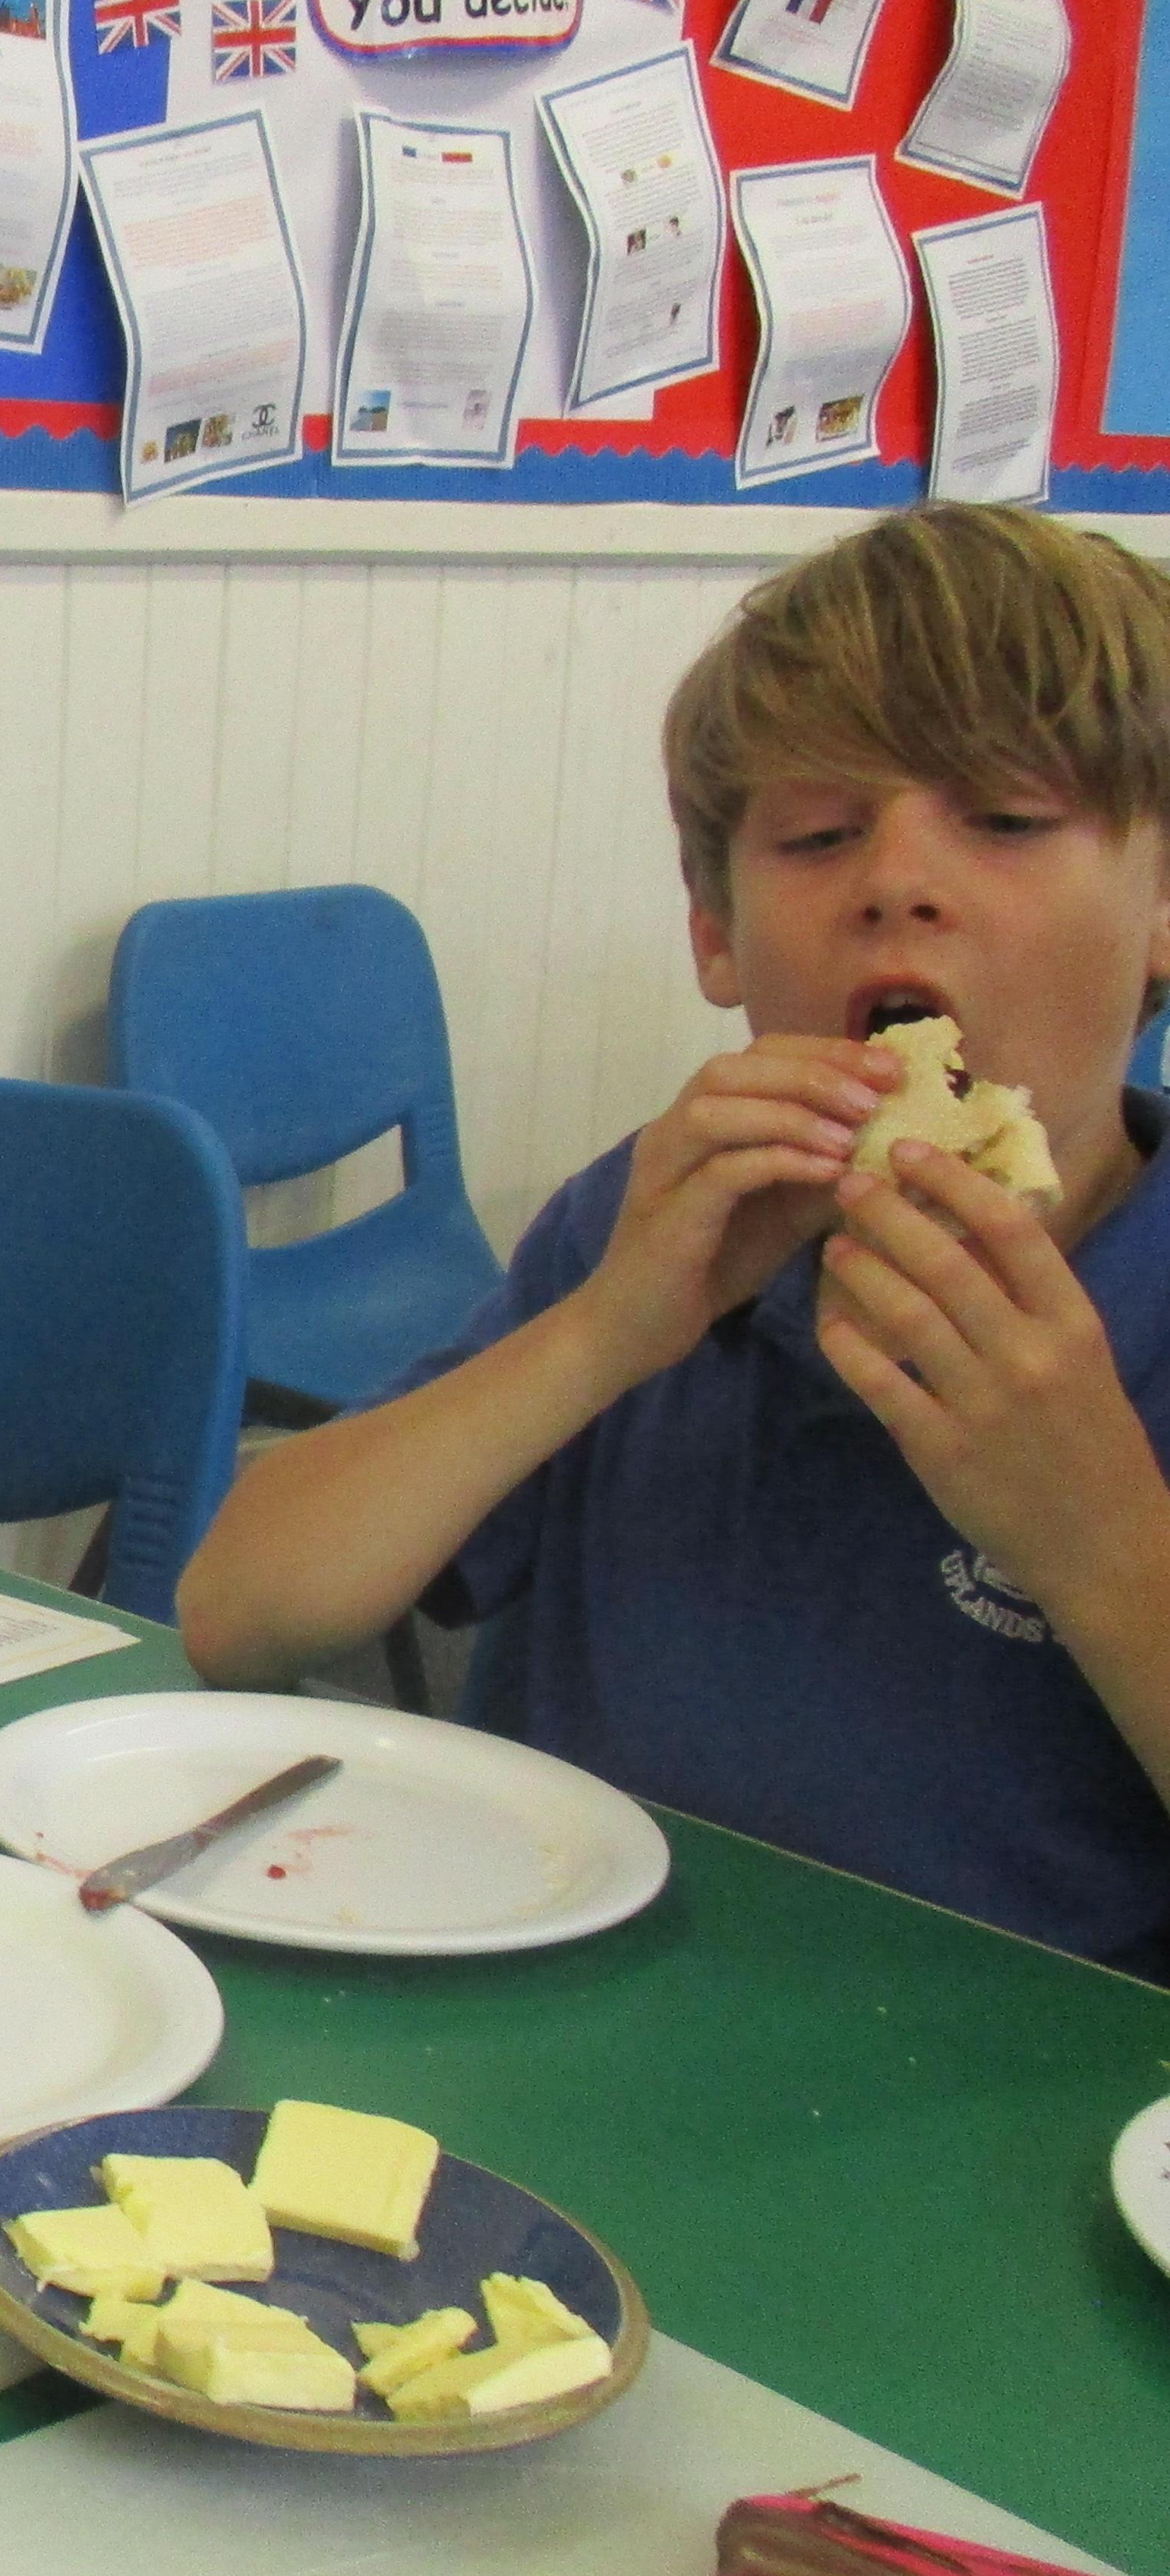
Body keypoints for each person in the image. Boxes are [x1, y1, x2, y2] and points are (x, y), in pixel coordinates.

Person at [178, 503, 1170, 1971]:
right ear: (715, 933)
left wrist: (1097, 1536)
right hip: (562, 2004)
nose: (895, 879)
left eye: (1006, 821)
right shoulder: (657, 1230)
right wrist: (601, 1333)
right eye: (819, 835)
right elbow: (237, 1612)